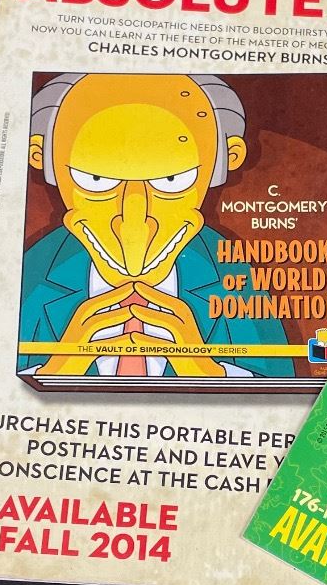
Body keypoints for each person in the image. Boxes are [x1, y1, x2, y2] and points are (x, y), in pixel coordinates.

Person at [18, 71, 289, 378]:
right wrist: (56, 371)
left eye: (172, 180)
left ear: (226, 159)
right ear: (42, 157)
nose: (134, 222)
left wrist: (208, 374)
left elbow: (285, 384)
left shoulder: (230, 273)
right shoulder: (34, 273)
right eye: (95, 180)